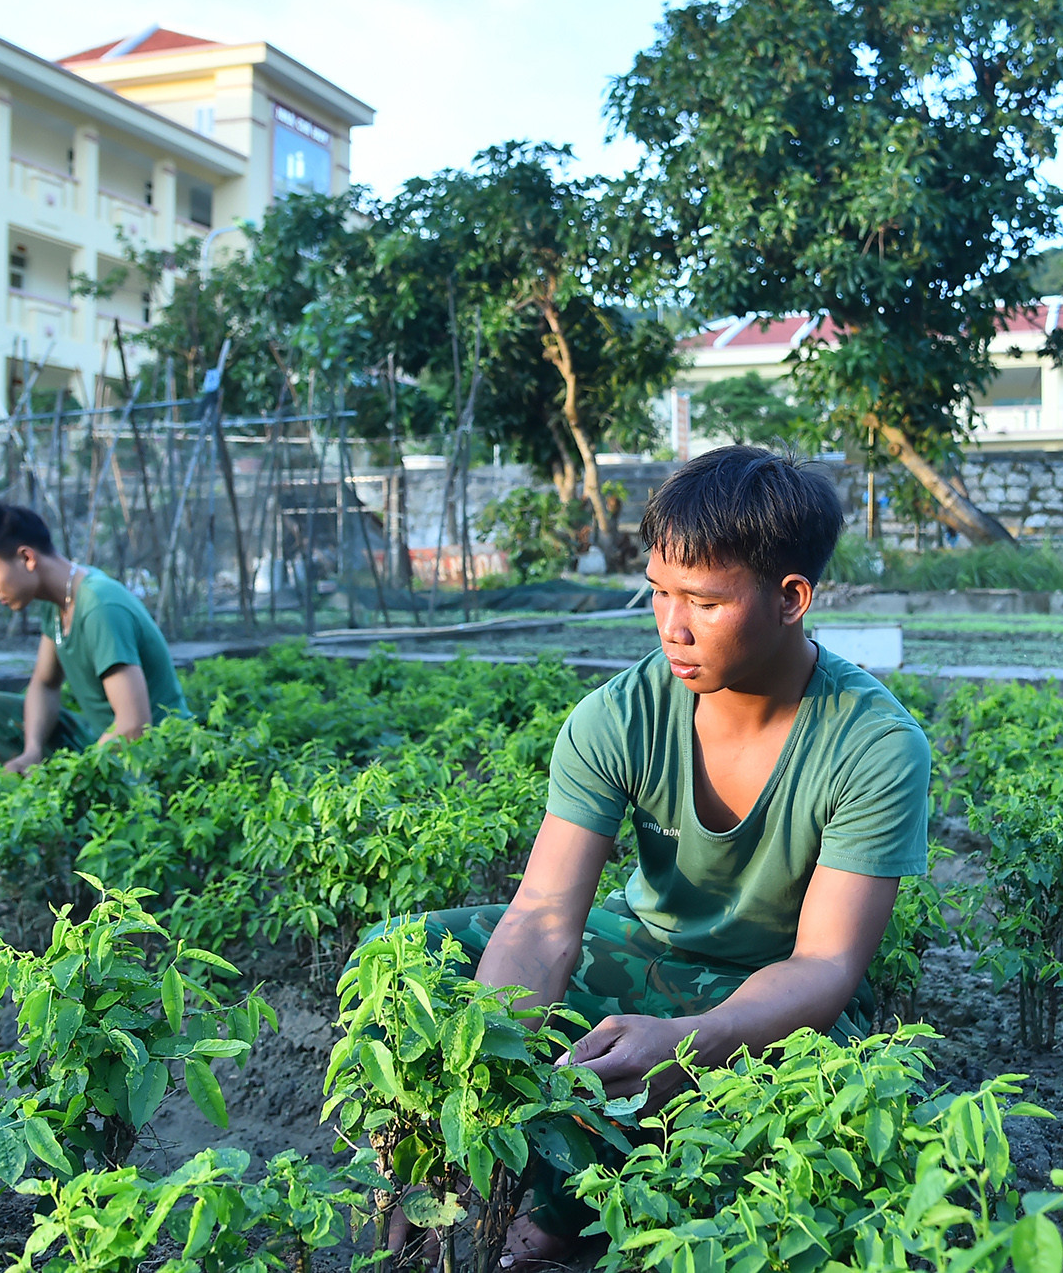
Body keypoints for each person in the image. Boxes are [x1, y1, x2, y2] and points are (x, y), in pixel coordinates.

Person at [390, 445, 931, 1258]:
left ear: (792, 598)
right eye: (658, 593)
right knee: (407, 956)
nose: (671, 627)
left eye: (704, 603)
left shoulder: (874, 744)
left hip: (773, 1004)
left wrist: (692, 1041)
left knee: (827, 1121)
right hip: (642, 951)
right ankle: (525, 1181)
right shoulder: (619, 716)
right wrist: (463, 1118)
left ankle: (572, 1206)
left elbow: (823, 966)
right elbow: (541, 921)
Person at [0, 502, 191, 772]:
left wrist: (72, 778)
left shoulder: (99, 606)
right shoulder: (58, 601)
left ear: (27, 558)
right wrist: (32, 751)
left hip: (156, 757)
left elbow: (134, 725)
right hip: (103, 741)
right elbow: (45, 684)